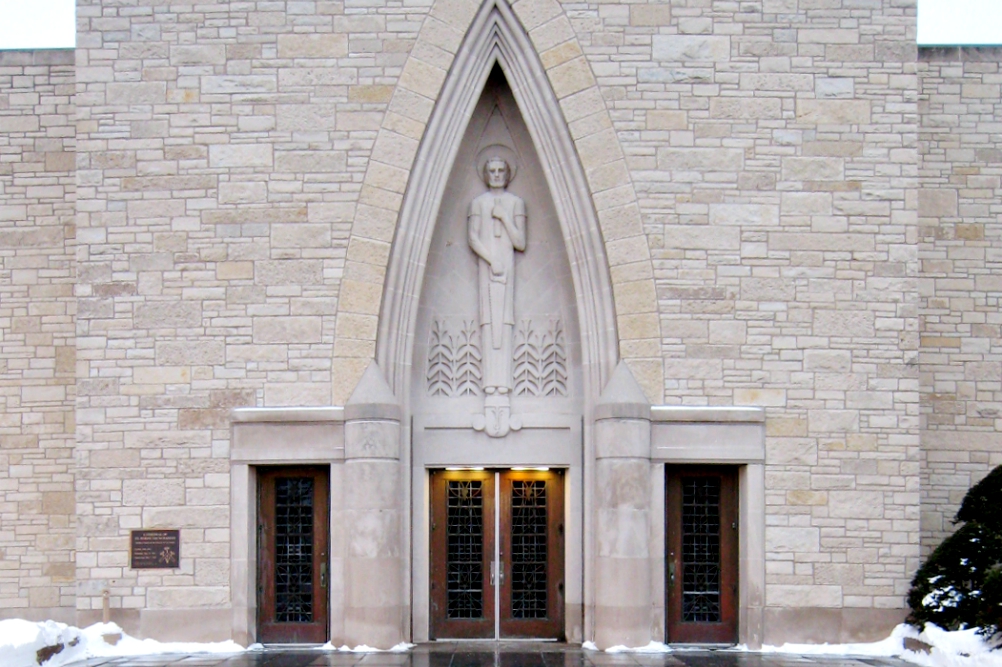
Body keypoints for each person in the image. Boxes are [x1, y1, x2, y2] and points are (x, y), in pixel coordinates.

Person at [467, 156, 526, 395]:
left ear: (507, 173)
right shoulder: (478, 203)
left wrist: (504, 217)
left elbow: (520, 242)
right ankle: (489, 382)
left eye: (501, 170)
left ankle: (505, 382)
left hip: (507, 271)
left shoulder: (515, 203)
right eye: (492, 170)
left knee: (505, 320)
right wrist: (492, 260)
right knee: (489, 321)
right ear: (486, 174)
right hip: (489, 270)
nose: (497, 174)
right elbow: (473, 238)